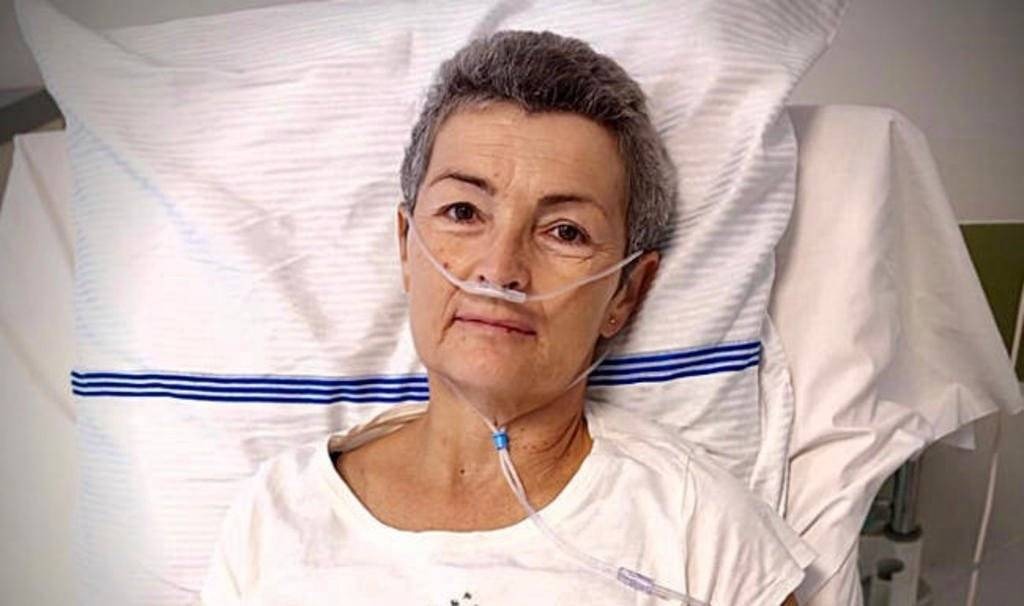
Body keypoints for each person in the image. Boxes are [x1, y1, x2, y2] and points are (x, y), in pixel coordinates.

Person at [201, 30, 812, 606]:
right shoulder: (278, 513)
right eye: (464, 212)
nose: (499, 270)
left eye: (565, 231)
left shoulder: (695, 526)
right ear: (406, 247)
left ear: (626, 293)